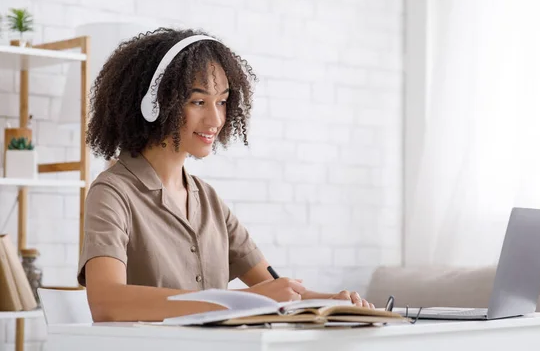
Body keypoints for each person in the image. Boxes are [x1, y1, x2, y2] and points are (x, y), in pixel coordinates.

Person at [78, 28, 374, 322]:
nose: (216, 119)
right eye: (198, 102)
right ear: (154, 104)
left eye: (222, 101)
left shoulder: (207, 200)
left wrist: (335, 302)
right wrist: (245, 300)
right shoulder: (113, 192)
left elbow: (274, 287)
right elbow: (107, 302)